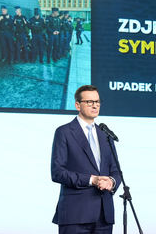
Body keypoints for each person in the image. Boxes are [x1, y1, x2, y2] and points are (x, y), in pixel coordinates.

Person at [51, 85, 121, 234]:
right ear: (78, 105)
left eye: (97, 101)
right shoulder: (64, 132)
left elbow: (116, 170)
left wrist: (111, 182)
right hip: (75, 215)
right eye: (89, 102)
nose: (95, 105)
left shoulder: (106, 134)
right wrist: (91, 180)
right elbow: (57, 172)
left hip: (104, 215)